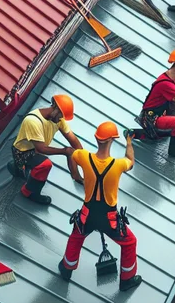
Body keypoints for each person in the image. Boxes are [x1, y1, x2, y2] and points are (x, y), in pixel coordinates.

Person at [58, 122, 142, 292]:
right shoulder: (118, 165)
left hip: (87, 215)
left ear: (96, 139)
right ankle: (127, 279)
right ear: (111, 140)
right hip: (109, 219)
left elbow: (70, 153)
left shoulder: (83, 156)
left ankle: (67, 269)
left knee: (76, 237)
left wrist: (76, 176)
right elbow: (131, 161)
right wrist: (129, 142)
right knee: (130, 242)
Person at [7, 94, 83, 206]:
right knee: (45, 164)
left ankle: (77, 177)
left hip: (34, 150)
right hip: (22, 152)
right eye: (60, 116)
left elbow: (72, 138)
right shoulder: (33, 121)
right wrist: (64, 151)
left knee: (69, 152)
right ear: (56, 109)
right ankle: (29, 192)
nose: (61, 119)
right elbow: (41, 148)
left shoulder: (57, 119)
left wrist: (84, 156)